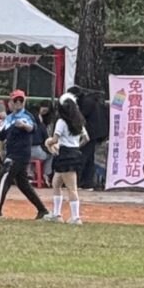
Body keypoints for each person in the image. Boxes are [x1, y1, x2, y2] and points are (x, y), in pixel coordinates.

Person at [0, 90, 47, 218]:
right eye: (15, 100)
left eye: (20, 100)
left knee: (3, 178)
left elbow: (32, 128)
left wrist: (24, 125)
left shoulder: (26, 116)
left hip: (18, 156)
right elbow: (1, 135)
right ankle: (42, 210)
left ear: (24, 102)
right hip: (13, 154)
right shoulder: (9, 118)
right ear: (10, 102)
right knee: (23, 184)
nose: (18, 103)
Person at [44, 93, 88, 223]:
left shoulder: (61, 122)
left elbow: (55, 139)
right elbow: (86, 138)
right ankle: (56, 214)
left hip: (64, 155)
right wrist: (76, 146)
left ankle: (76, 217)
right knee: (56, 183)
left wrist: (48, 142)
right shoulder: (79, 121)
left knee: (72, 188)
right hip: (74, 153)